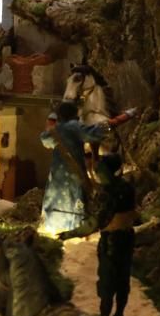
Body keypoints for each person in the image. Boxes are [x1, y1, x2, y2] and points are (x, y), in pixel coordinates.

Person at [38, 101, 108, 237]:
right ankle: (74, 228)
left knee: (55, 196)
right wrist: (109, 126)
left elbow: (45, 139)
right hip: (73, 171)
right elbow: (92, 134)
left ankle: (52, 226)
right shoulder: (74, 126)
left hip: (57, 172)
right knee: (74, 197)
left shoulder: (56, 129)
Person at [93, 153, 136, 316]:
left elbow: (96, 220)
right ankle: (119, 313)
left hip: (111, 241)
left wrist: (71, 233)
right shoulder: (128, 187)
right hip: (127, 238)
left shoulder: (107, 193)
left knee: (107, 281)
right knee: (123, 278)